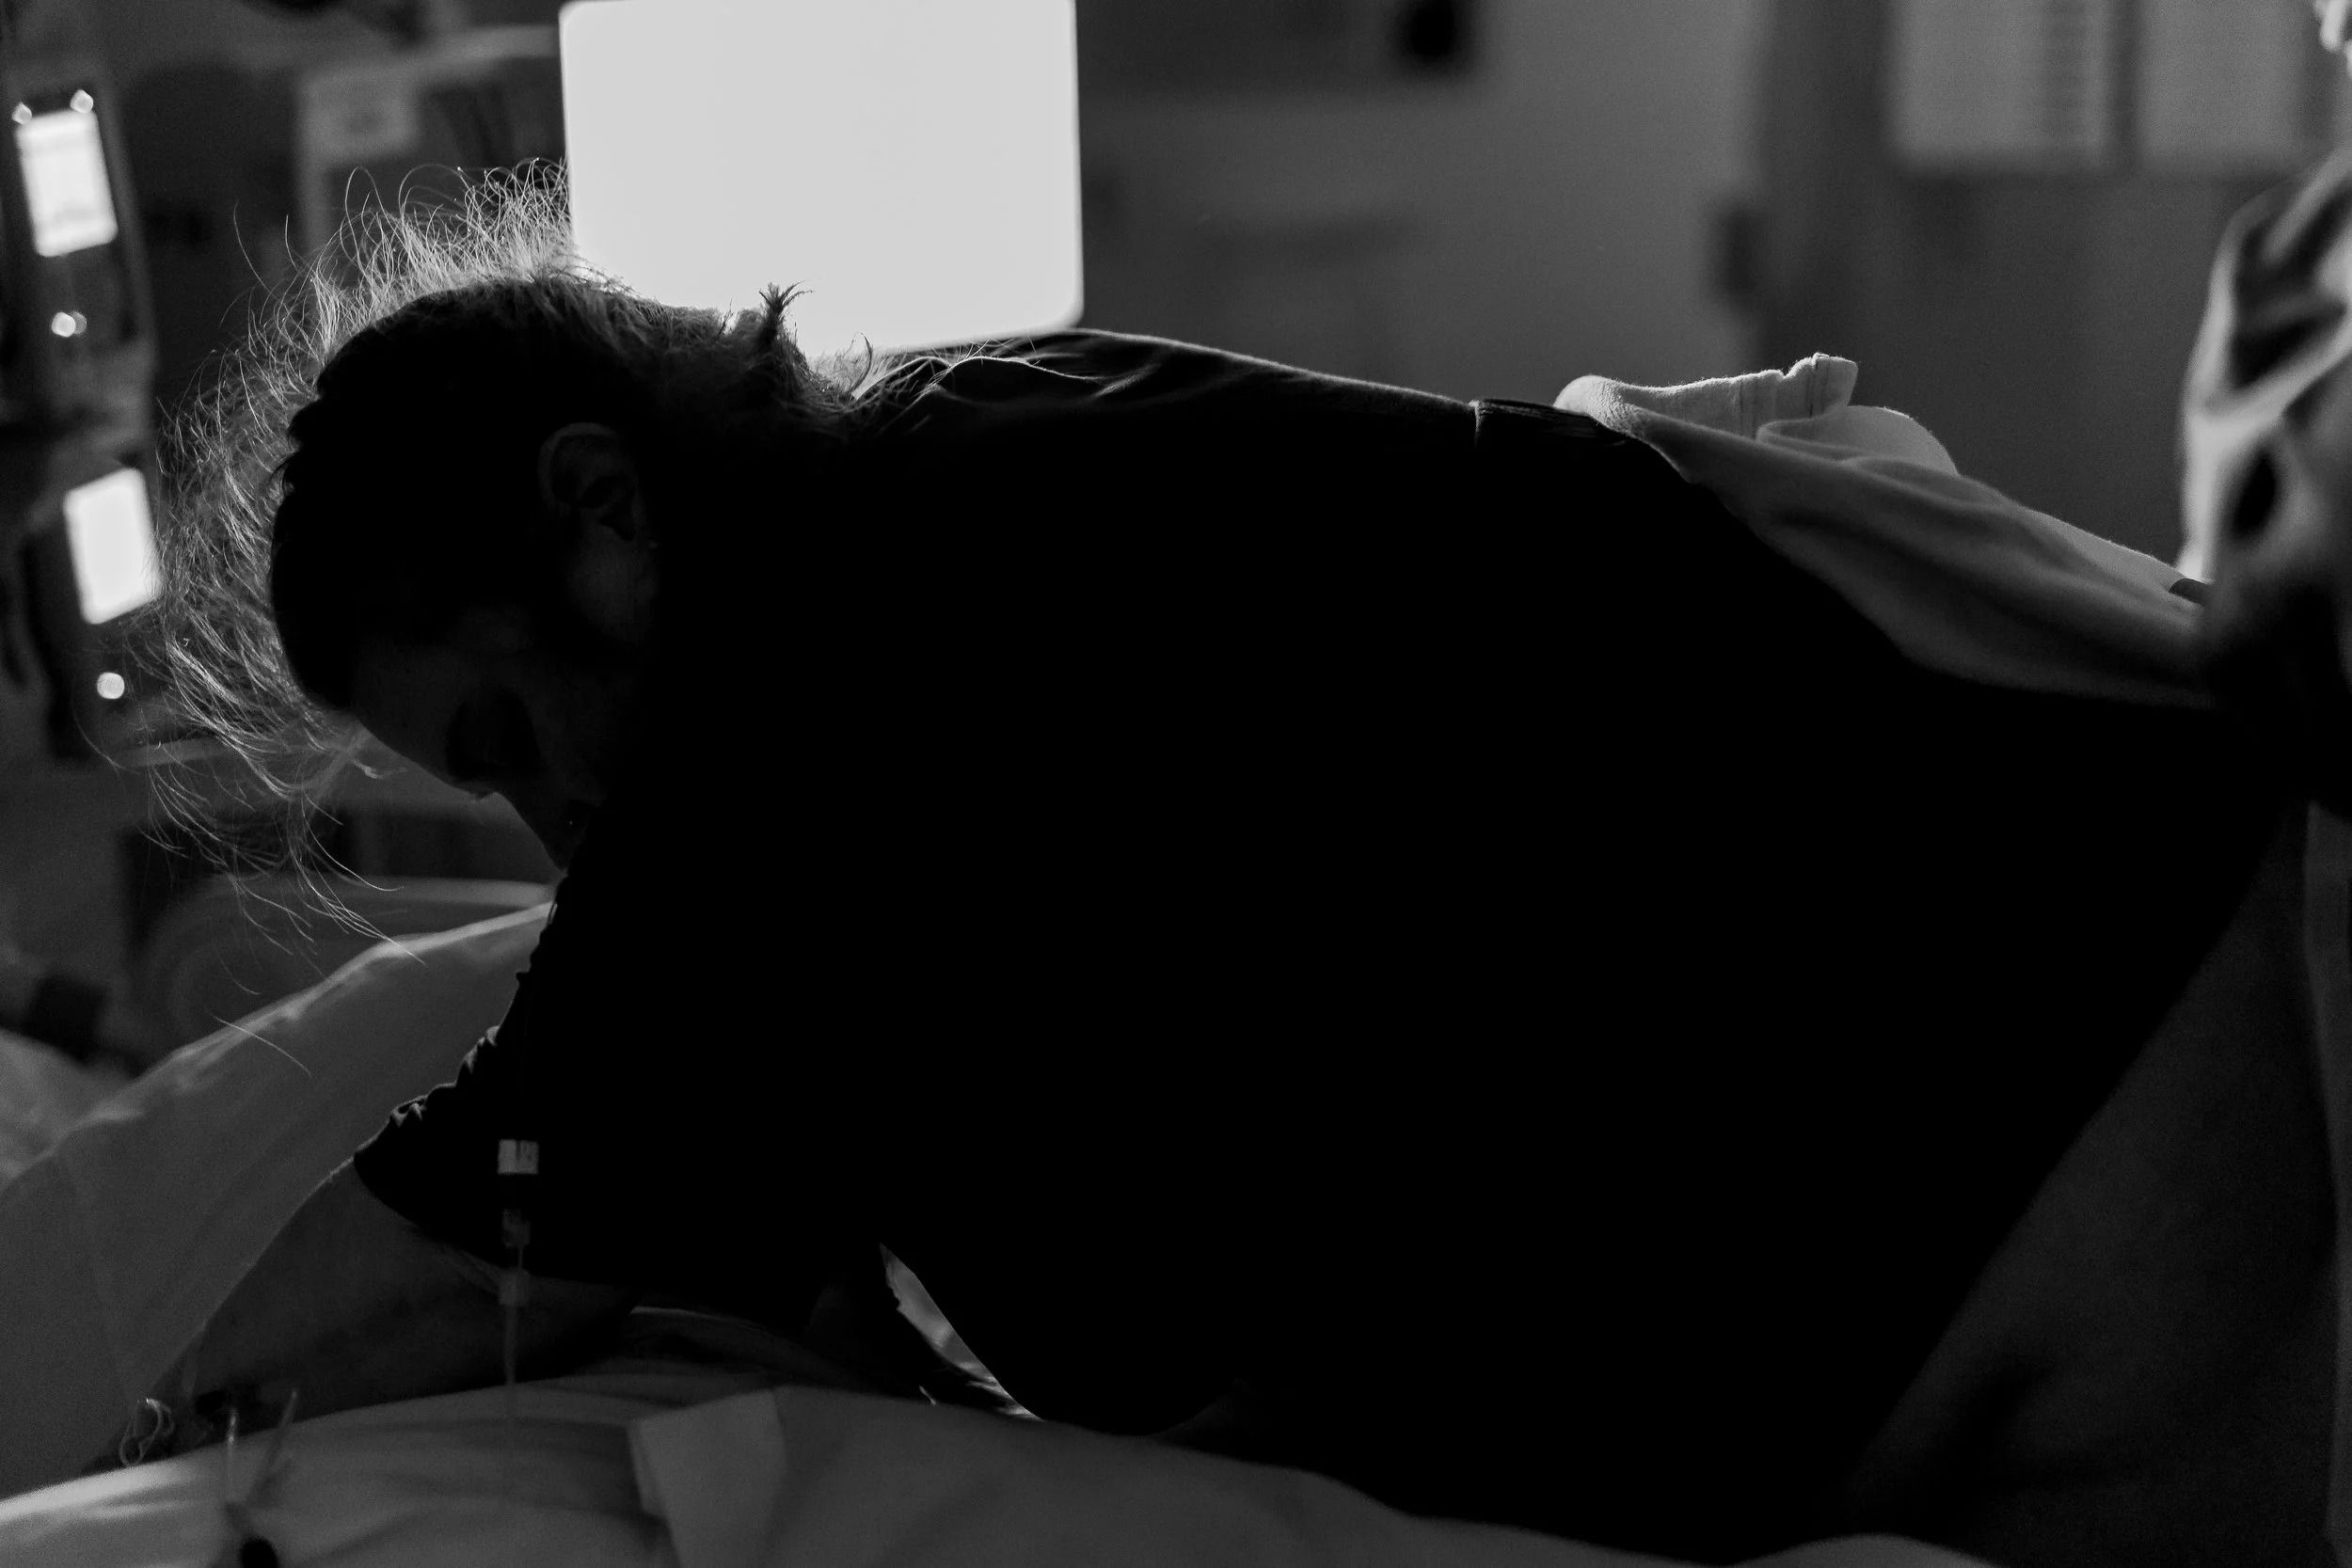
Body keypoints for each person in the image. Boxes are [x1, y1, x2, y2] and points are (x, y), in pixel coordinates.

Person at [121, 174, 2286, 1562]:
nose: (554, 835)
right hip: (2170, 1080)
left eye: (509, 739)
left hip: (2164, 1193)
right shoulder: (972, 456)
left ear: (602, 508)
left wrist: (131, 1448)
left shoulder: (826, 656)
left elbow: (469, 1216)